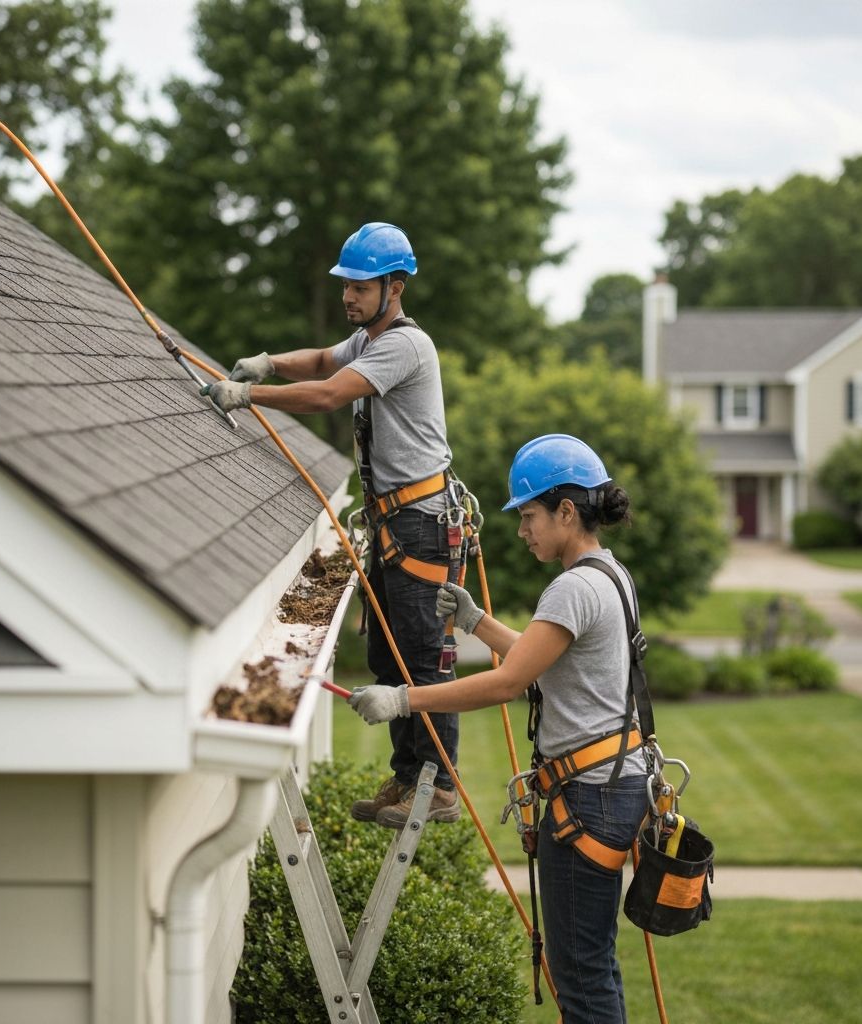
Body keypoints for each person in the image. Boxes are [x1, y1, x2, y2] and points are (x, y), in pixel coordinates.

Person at [349, 433, 651, 1024]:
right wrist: (477, 622)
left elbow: (507, 684)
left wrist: (403, 698)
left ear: (568, 511)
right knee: (592, 965)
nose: (522, 530)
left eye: (531, 515)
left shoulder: (573, 587)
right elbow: (539, 664)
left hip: (589, 798)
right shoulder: (609, 576)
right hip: (611, 789)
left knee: (580, 978)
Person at [204, 222, 461, 826]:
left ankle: (440, 785)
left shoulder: (403, 345)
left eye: (360, 286)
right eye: (345, 284)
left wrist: (249, 398)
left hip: (420, 523)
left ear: (394, 287)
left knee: (422, 657)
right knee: (387, 655)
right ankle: (408, 778)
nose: (348, 295)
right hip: (396, 522)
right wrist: (267, 363)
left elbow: (327, 393)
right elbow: (321, 360)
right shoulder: (370, 339)